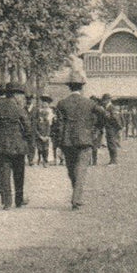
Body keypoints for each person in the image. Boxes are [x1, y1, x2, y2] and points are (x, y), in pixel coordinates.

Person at [55, 71, 103, 210]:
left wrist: (58, 143)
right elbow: (104, 115)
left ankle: (76, 197)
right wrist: (96, 129)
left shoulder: (62, 104)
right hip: (85, 140)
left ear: (69, 87)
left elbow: (59, 125)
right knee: (81, 170)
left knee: (71, 170)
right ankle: (77, 198)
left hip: (67, 141)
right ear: (81, 87)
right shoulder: (90, 103)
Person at [0, 82, 33, 209]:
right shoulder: (19, 109)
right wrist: (28, 142)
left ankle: (7, 202)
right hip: (18, 146)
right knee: (19, 174)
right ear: (15, 95)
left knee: (4, 173)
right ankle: (19, 200)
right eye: (20, 94)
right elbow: (28, 128)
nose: (22, 97)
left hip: (1, 146)